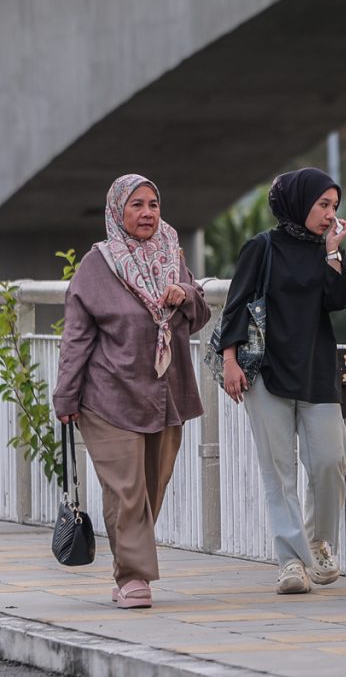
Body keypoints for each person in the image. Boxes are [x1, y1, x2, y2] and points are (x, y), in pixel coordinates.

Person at [53, 174, 211, 609]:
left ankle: (128, 564)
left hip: (165, 393)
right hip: (108, 395)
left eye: (153, 204)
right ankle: (133, 578)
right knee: (126, 490)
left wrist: (185, 294)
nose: (147, 213)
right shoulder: (97, 266)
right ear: (117, 212)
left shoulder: (171, 254)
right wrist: (66, 397)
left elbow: (199, 314)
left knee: (151, 487)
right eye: (136, 205)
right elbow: (76, 339)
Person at [218, 167, 346, 594]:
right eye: (323, 205)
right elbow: (236, 305)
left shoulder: (325, 251)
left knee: (331, 461)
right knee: (278, 471)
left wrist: (333, 253)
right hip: (266, 373)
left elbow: (340, 299)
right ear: (299, 203)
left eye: (334, 206)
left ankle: (318, 543)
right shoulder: (262, 247)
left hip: (317, 369)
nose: (330, 214)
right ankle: (291, 562)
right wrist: (230, 360)